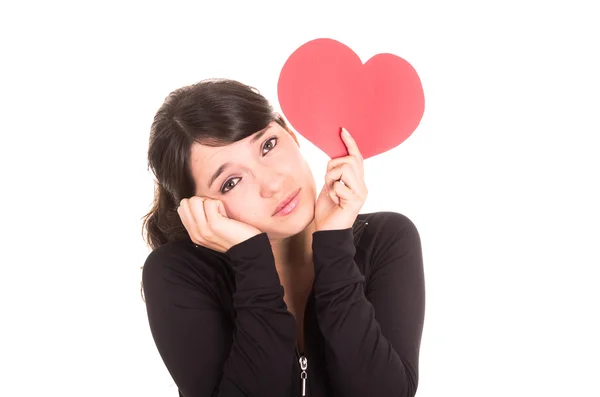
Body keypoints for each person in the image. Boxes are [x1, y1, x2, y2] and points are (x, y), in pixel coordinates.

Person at [140, 78, 425, 397]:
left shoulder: (386, 238)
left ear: (289, 133)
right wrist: (252, 261)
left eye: (268, 145)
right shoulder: (179, 273)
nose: (272, 183)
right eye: (231, 182)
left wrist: (334, 245)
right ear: (198, 209)